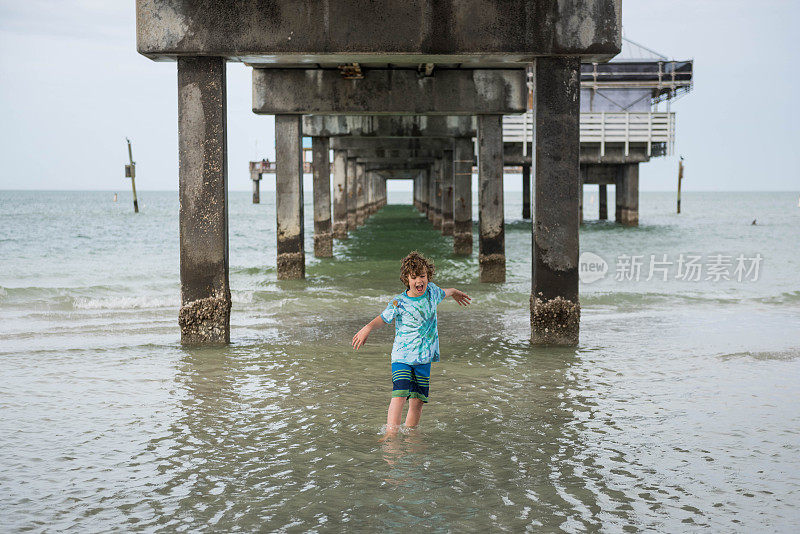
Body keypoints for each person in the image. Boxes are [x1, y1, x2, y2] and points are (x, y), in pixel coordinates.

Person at [352, 251, 471, 438]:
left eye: (422, 276)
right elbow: (383, 319)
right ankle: (391, 435)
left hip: (424, 358)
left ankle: (410, 436)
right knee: (399, 394)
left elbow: (445, 292)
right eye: (414, 277)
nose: (419, 281)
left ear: (428, 277)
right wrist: (367, 328)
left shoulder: (432, 292)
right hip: (402, 357)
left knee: (417, 402)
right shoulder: (399, 302)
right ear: (406, 279)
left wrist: (455, 292)